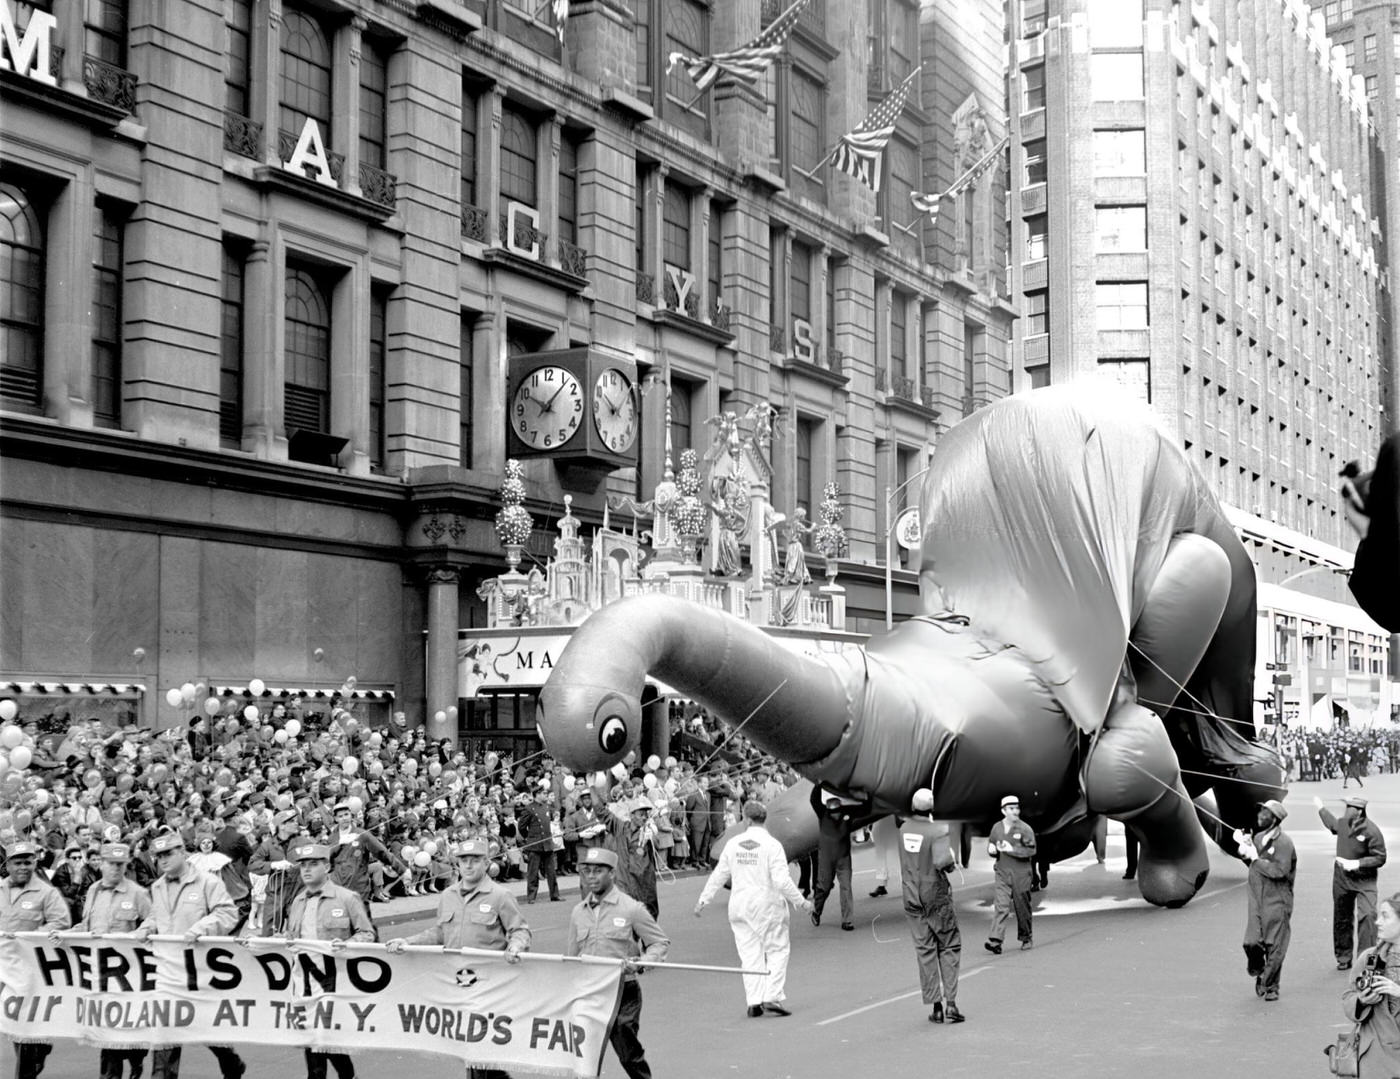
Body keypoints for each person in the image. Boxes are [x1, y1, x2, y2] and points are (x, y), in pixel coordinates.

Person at [386, 838, 529, 1079]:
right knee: (472, 1052)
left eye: (475, 860)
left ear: (486, 863)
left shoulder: (500, 895)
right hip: (457, 984)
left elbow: (520, 930)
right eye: (464, 861)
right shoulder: (448, 895)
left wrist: (516, 946)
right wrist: (409, 942)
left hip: (490, 985)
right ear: (458, 864)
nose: (469, 866)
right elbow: (441, 932)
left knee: (480, 1050)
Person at [137, 832, 246, 1079]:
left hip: (200, 971)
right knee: (165, 1030)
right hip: (168, 970)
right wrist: (147, 927)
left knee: (205, 1027)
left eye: (168, 854)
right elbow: (157, 915)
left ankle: (231, 1061)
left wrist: (201, 928)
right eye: (159, 856)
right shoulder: (157, 886)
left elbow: (228, 914)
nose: (163, 860)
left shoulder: (207, 882)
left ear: (182, 853)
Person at [695, 800, 813, 1018]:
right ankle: (772, 995)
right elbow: (782, 881)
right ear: (764, 819)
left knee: (749, 954)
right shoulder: (772, 845)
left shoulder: (733, 844)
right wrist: (802, 902)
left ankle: (754, 1001)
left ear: (746, 820)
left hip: (740, 905)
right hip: (767, 905)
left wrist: (704, 899)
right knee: (777, 950)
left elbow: (720, 874)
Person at [567, 847, 669, 1079]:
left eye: (598, 871)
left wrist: (642, 962)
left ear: (612, 873)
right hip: (589, 991)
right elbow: (572, 958)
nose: (591, 877)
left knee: (627, 1049)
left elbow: (659, 943)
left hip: (622, 991)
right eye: (587, 871)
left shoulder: (631, 908)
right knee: (583, 1055)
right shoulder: (578, 912)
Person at [275, 842, 375, 1079]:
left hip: (335, 983)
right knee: (315, 1042)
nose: (307, 870)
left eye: (313, 864)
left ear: (327, 867)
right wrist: (271, 941)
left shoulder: (347, 898)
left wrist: (348, 944)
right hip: (306, 984)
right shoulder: (298, 901)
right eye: (303, 866)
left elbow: (367, 934)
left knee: (327, 1040)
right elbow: (292, 936)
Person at [78, 842, 153, 1079]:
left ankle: (136, 1061)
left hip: (129, 976)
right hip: (99, 972)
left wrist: (141, 933)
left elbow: (154, 920)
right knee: (107, 1032)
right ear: (101, 864)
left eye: (121, 865)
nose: (116, 869)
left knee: (130, 1032)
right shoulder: (93, 891)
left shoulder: (137, 893)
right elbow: (87, 926)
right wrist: (65, 934)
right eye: (111, 863)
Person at [0, 840, 71, 1079]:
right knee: (12, 1023)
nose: (23, 867)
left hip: (33, 970)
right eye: (18, 863)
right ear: (7, 865)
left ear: (34, 864)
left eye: (28, 862)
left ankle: (28, 1069)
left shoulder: (46, 892)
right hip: (4, 968)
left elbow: (61, 922)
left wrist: (32, 937)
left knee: (25, 1027)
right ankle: (40, 1047)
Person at [897, 789, 964, 1024]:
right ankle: (951, 1003)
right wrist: (952, 861)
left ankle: (936, 1007)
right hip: (934, 893)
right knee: (949, 944)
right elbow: (943, 862)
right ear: (932, 808)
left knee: (925, 950)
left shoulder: (903, 829)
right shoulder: (937, 831)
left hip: (910, 893)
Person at [1318, 794, 1389, 971]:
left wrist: (1358, 863)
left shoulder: (1372, 830)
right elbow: (1331, 824)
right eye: (1347, 808)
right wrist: (1321, 808)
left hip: (1365, 879)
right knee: (1342, 916)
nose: (1347, 811)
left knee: (1368, 915)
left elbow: (1380, 857)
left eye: (1351, 809)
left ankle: (1366, 959)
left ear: (1359, 812)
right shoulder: (1343, 824)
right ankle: (1343, 955)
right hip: (1342, 878)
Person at [1237, 798, 1296, 1002]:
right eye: (1260, 811)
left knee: (1274, 944)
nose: (1260, 815)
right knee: (1251, 941)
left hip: (1277, 898)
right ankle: (1260, 970)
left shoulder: (1284, 843)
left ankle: (1271, 986)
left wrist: (1256, 859)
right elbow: (1249, 860)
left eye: (1265, 813)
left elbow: (1280, 871)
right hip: (1256, 894)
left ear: (1274, 819)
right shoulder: (1259, 837)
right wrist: (1244, 847)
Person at [1341, 891, 1400, 1076]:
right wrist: (1361, 1001)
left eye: (1385, 916)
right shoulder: (1369, 958)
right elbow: (1348, 997)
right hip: (1375, 1056)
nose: (1377, 922)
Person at [329, 800, 405, 910]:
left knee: (363, 918)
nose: (344, 818)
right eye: (340, 816)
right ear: (336, 819)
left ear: (351, 815)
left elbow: (381, 852)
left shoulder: (362, 834)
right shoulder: (332, 838)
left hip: (359, 887)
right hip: (339, 887)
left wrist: (401, 869)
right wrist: (339, 844)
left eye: (346, 814)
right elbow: (326, 859)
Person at [984, 794, 1035, 954]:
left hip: (1021, 874)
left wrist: (1011, 849)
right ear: (1003, 811)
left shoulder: (1025, 829)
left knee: (1022, 907)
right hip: (1002, 872)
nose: (1015, 811)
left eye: (1017, 808)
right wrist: (991, 850)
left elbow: (1031, 850)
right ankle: (995, 940)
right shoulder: (996, 828)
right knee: (1001, 906)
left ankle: (1026, 937)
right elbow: (992, 845)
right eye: (1011, 809)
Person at [250, 809, 303, 932]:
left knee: (296, 931)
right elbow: (252, 864)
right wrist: (273, 865)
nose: (296, 823)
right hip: (276, 892)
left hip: (297, 891)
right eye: (292, 821)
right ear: (282, 825)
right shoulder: (268, 845)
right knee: (270, 930)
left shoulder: (303, 842)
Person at [810, 794, 855, 931]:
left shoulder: (848, 813)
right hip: (826, 858)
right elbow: (814, 799)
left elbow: (865, 808)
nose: (836, 814)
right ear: (828, 810)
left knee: (846, 887)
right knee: (824, 887)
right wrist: (819, 785)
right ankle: (816, 911)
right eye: (833, 812)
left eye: (838, 811)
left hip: (843, 857)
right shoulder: (822, 814)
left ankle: (847, 920)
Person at [517, 787, 561, 903]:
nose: (546, 795)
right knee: (533, 872)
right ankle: (531, 897)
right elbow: (521, 827)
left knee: (551, 872)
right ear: (537, 794)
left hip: (547, 843)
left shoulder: (546, 807)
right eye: (544, 793)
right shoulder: (529, 808)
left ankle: (554, 894)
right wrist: (530, 838)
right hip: (535, 844)